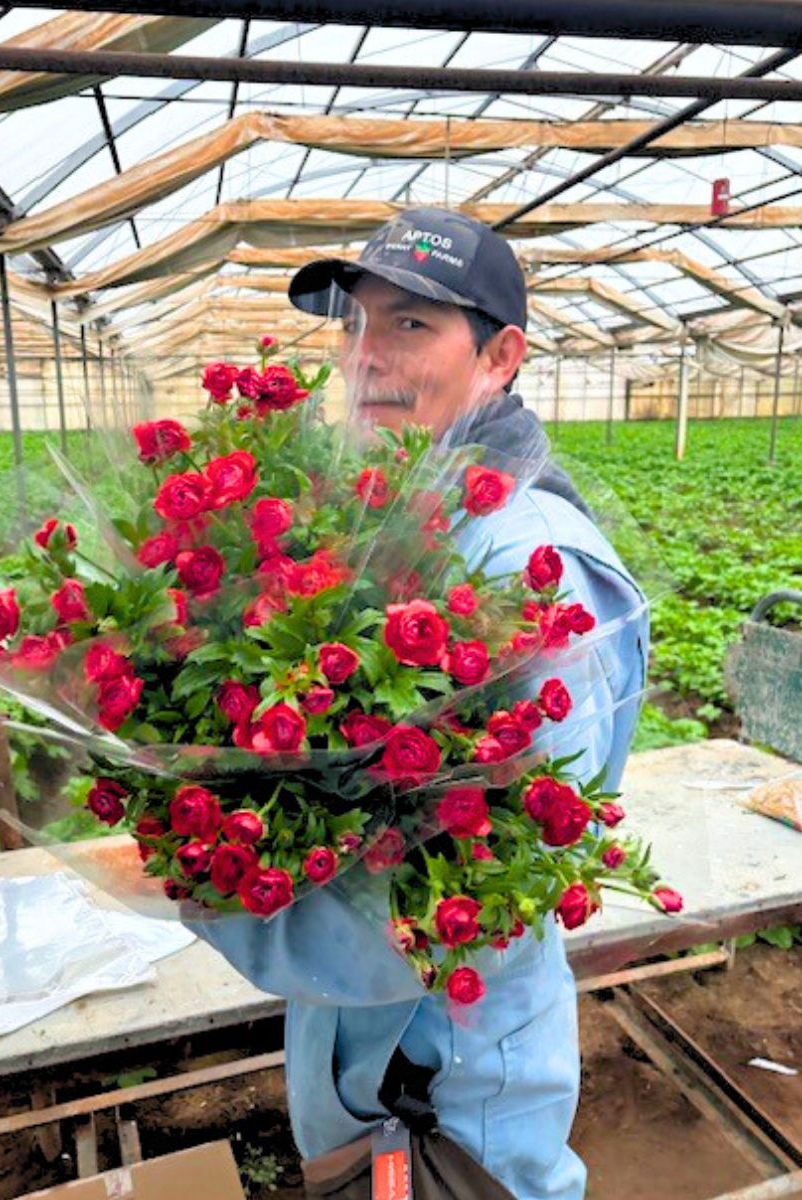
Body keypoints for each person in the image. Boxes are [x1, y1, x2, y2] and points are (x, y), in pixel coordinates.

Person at [184, 208, 649, 1199]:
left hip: (445, 1074)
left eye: (410, 326)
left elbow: (469, 899)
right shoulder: (380, 523)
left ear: (500, 356)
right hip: (360, 1044)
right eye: (354, 327)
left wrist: (205, 885)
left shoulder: (532, 570)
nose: (366, 358)